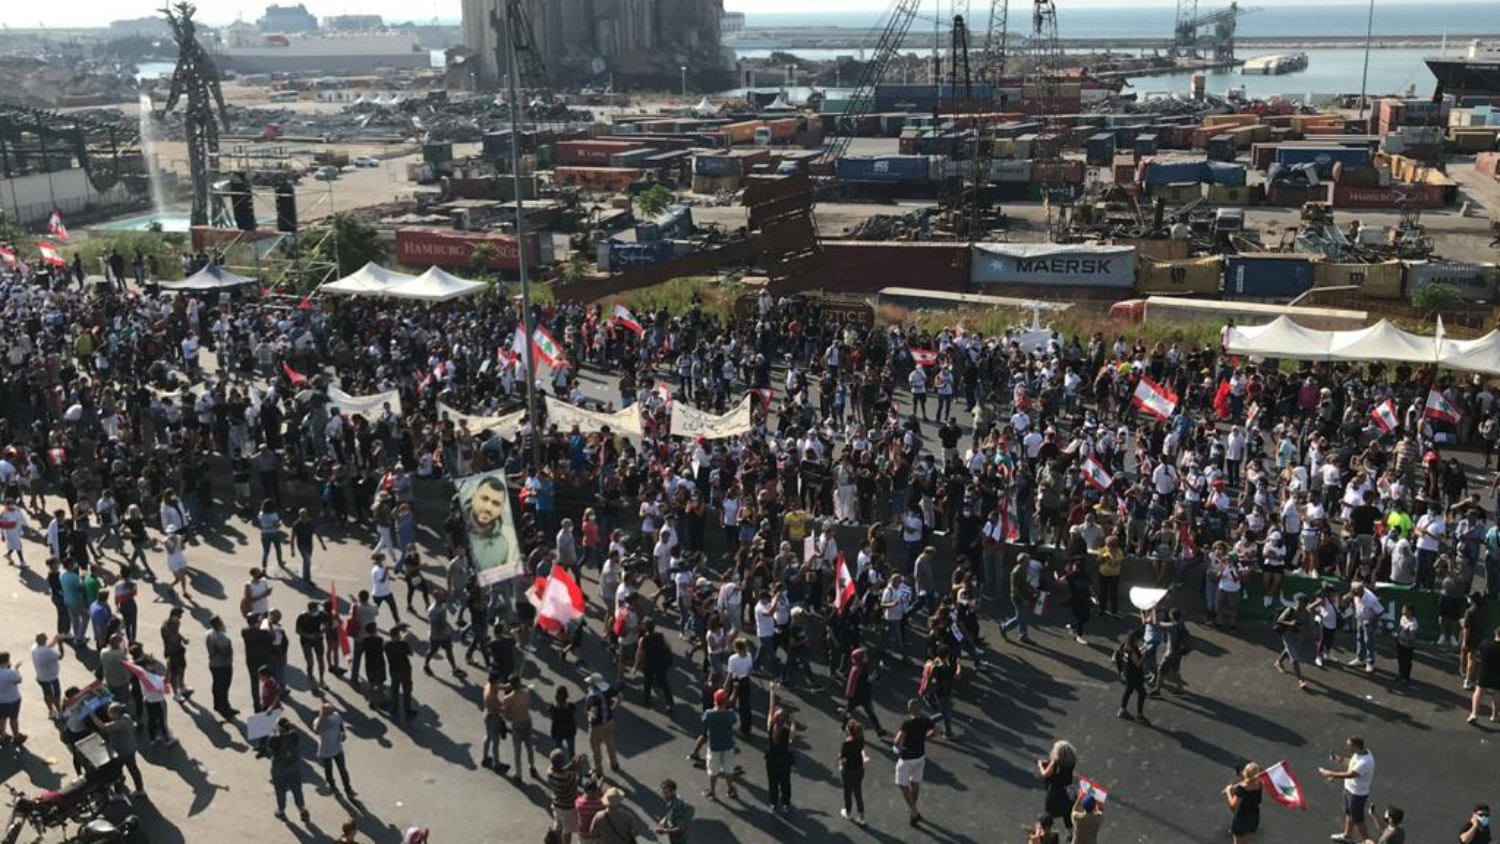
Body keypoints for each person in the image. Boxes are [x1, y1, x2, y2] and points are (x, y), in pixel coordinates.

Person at [1318, 736, 1375, 844]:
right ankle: (1347, 836)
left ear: (1357, 746)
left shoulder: (1366, 762)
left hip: (1357, 795)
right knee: (1349, 814)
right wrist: (1339, 759)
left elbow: (1350, 774)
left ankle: (1367, 841)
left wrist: (1330, 773)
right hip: (1350, 790)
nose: (1348, 748)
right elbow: (1352, 763)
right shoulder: (1360, 754)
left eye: (1350, 746)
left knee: (1359, 821)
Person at [894, 697, 936, 827]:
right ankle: (912, 815)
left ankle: (914, 810)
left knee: (902, 784)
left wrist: (900, 748)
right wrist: (925, 738)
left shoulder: (907, 724)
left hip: (907, 758)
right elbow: (937, 730)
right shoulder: (925, 720)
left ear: (910, 709)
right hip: (920, 756)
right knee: (915, 783)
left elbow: (896, 741)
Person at [90, 703, 145, 795]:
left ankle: (119, 793)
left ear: (115, 713)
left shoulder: (119, 723)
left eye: (109, 713)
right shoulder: (126, 717)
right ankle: (140, 789)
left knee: (115, 771)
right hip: (130, 748)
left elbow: (103, 727)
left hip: (122, 751)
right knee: (133, 769)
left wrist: (93, 716)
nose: (108, 715)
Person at [267, 717, 312, 823]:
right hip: (294, 766)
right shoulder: (294, 735)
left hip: (279, 768)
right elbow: (296, 745)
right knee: (297, 788)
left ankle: (281, 811)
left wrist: (273, 734)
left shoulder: (274, 738)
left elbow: (271, 751)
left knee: (280, 789)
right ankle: (302, 810)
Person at [699, 688, 738, 800]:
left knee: (713, 770)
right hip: (728, 745)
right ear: (725, 701)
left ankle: (712, 791)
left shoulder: (709, 714)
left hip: (714, 746)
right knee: (729, 769)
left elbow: (704, 722)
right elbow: (734, 721)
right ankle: (730, 789)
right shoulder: (730, 714)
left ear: (714, 701)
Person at [314, 701, 356, 800]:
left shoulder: (336, 716)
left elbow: (341, 726)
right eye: (328, 711)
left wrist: (343, 733)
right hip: (326, 750)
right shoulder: (318, 721)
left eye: (332, 710)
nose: (331, 712)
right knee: (329, 771)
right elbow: (317, 730)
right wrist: (323, 718)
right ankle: (333, 787)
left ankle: (348, 789)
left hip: (337, 747)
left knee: (343, 770)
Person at [764, 683, 796, 813]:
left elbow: (771, 708)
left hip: (771, 760)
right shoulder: (787, 731)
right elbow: (794, 734)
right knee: (785, 782)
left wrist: (772, 691)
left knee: (772, 782)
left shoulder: (771, 728)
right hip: (784, 761)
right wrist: (793, 720)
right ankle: (786, 803)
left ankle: (773, 802)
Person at [501, 674, 538, 781]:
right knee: (529, 747)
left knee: (517, 751)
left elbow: (505, 713)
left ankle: (518, 774)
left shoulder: (508, 699)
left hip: (516, 723)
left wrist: (509, 718)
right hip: (527, 721)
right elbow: (529, 689)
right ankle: (532, 767)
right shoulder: (526, 693)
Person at [546, 748, 585, 844]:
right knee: (567, 832)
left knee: (558, 824)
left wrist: (571, 764)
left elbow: (559, 770)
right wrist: (577, 766)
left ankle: (553, 839)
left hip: (557, 804)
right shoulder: (568, 777)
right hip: (568, 807)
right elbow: (578, 781)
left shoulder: (550, 774)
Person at [585, 673, 621, 774]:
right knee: (610, 743)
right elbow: (619, 696)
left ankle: (598, 770)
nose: (589, 685)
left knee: (596, 749)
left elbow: (594, 712)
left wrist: (589, 718)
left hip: (597, 726)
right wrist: (615, 706)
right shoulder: (608, 689)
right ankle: (614, 764)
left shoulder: (593, 696)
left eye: (590, 683)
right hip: (609, 721)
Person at [1273, 595, 1311, 691]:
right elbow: (1279, 620)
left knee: (1289, 650)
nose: (1298, 605)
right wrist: (1290, 623)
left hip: (1298, 636)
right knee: (1294, 657)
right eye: (1298, 602)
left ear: (1305, 605)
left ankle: (1278, 662)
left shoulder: (1307, 613)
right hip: (1287, 634)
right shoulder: (1290, 610)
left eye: (1301, 603)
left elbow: (1309, 625)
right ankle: (1300, 680)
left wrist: (1302, 628)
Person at [1037, 739, 1077, 832]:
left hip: (1054, 792)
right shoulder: (1072, 761)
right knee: (1067, 814)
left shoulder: (1055, 763)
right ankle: (1071, 835)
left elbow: (1045, 774)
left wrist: (1040, 765)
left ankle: (1043, 834)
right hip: (1067, 791)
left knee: (1048, 815)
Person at [1116, 629, 1151, 724]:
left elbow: (1121, 657)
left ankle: (1122, 710)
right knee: (1142, 693)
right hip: (1135, 676)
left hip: (1127, 674)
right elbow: (1138, 663)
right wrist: (1145, 653)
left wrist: (1143, 648)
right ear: (1135, 639)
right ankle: (1140, 715)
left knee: (1128, 690)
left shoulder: (1125, 646)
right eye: (1140, 639)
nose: (1141, 640)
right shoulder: (1132, 650)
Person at [837, 718, 867, 825]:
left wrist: (840, 765)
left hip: (848, 770)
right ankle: (862, 817)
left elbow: (841, 756)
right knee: (858, 792)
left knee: (847, 792)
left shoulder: (846, 743)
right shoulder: (861, 739)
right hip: (859, 769)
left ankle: (848, 812)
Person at [1225, 762, 1263, 843]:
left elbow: (1233, 805)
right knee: (1246, 840)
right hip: (1253, 819)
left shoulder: (1241, 789)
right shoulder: (1259, 785)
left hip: (1241, 820)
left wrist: (1228, 791)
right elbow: (1250, 781)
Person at [1469, 627, 1500, 725]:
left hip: (1484, 673)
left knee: (1478, 692)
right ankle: (1494, 716)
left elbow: (1479, 653)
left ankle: (1474, 713)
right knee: (1497, 694)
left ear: (1495, 633)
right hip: (1498, 675)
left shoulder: (1486, 643)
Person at [654, 778, 692, 844]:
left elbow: (682, 828)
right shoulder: (670, 800)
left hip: (679, 839)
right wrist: (662, 823)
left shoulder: (677, 807)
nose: (663, 796)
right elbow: (669, 814)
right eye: (662, 793)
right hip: (673, 836)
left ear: (673, 791)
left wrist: (665, 831)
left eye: (666, 793)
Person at [0, 652, 23, 746]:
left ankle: (3, 735)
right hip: (12, 700)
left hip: (1, 701)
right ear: (7, 660)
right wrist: (16, 669)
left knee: (2, 718)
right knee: (13, 718)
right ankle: (16, 736)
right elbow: (19, 680)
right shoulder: (10, 673)